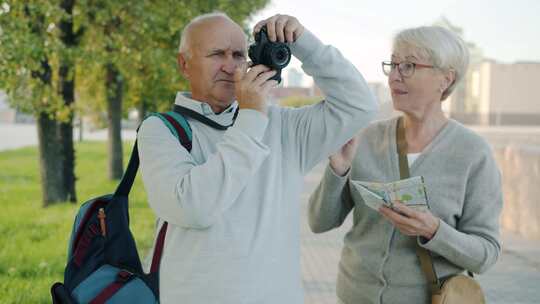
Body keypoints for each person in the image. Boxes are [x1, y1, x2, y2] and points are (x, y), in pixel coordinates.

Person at [137, 12, 377, 303]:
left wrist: (303, 42)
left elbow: (360, 105)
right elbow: (194, 209)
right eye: (216, 54)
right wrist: (251, 117)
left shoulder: (283, 126)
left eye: (239, 55)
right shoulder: (161, 131)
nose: (230, 66)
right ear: (184, 64)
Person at [308, 26, 503, 304]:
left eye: (409, 66)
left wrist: (434, 231)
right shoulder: (367, 137)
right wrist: (337, 171)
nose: (394, 76)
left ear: (444, 80)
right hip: (354, 296)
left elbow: (486, 254)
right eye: (393, 65)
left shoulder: (473, 153)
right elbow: (319, 223)